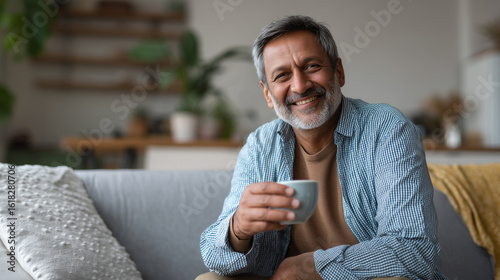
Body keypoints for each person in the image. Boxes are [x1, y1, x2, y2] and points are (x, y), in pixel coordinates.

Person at [198, 15, 447, 280]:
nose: (300, 85)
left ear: (338, 72)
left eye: (312, 66)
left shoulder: (387, 130)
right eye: (282, 75)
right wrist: (237, 230)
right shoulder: (260, 146)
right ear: (268, 94)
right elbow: (213, 255)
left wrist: (303, 268)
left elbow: (415, 250)